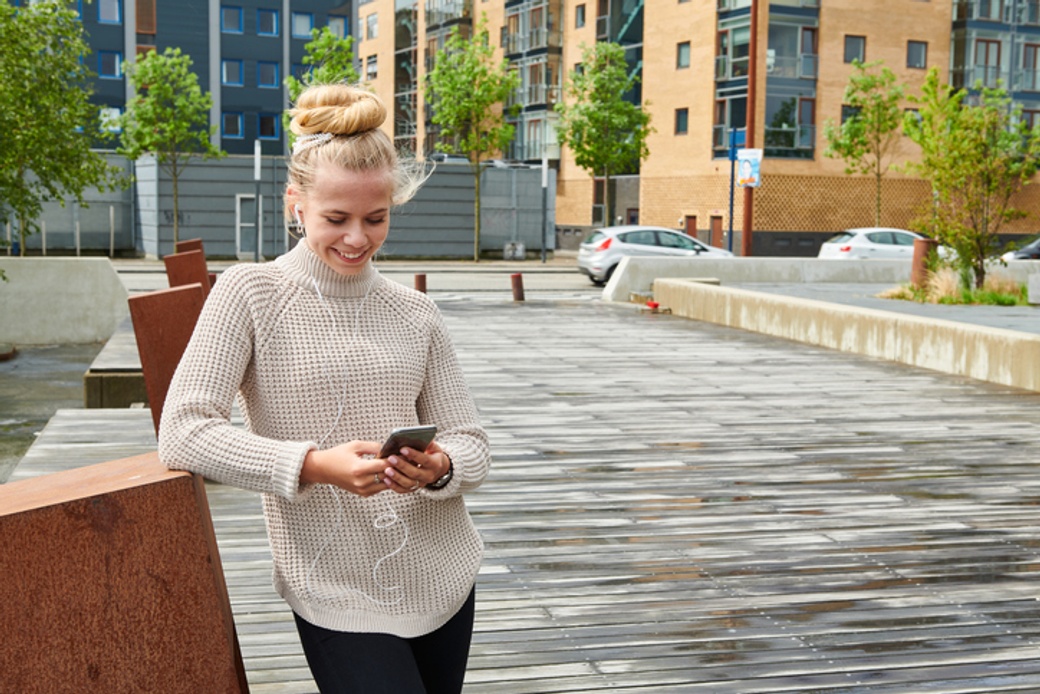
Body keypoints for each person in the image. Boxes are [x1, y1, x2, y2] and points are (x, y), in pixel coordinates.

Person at [158, 83, 491, 693]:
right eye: (336, 219)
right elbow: (182, 431)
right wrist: (311, 465)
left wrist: (439, 466)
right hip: (332, 585)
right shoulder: (248, 293)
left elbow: (472, 442)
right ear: (296, 203)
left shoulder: (417, 312)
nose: (357, 238)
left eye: (377, 218)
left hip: (444, 574)